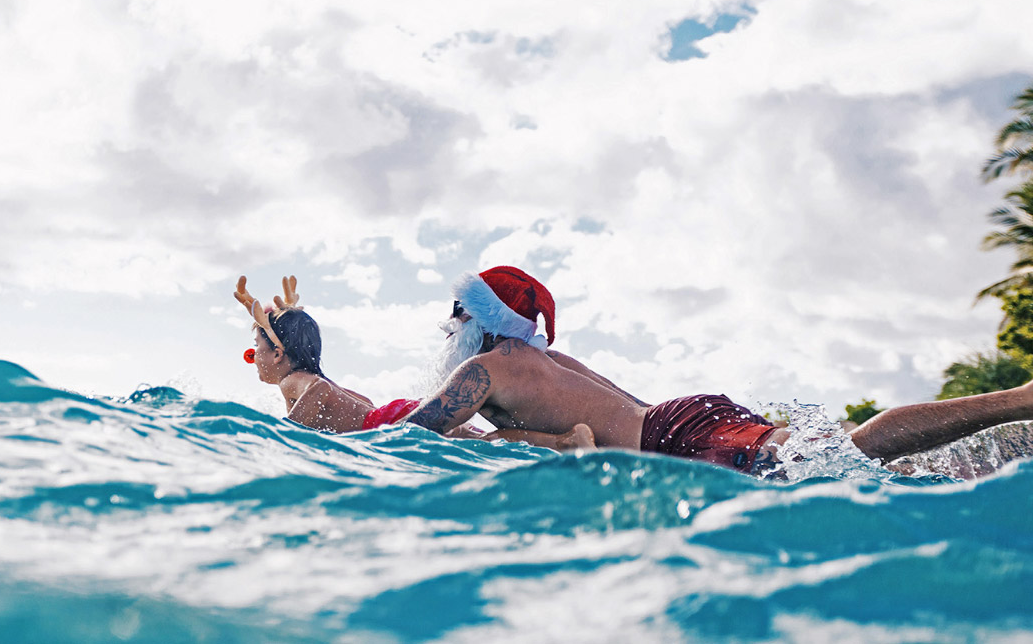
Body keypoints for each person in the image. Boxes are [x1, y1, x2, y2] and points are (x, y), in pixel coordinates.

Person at [405, 265, 1033, 475]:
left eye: (456, 318)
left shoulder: (489, 369)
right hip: (681, 418)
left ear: (479, 319)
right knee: (845, 467)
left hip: (673, 436)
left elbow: (410, 433)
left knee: (852, 448)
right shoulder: (543, 361)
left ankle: (1018, 400)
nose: (449, 332)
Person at [235, 276, 596, 450]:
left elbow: (318, 392)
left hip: (391, 421)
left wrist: (278, 436)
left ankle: (566, 442)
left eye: (255, 351)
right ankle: (564, 440)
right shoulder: (307, 379)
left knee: (484, 441)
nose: (254, 361)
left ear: (279, 353)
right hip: (390, 414)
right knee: (481, 439)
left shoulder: (296, 381)